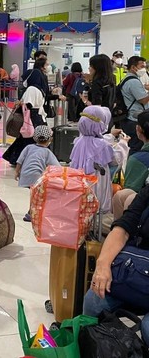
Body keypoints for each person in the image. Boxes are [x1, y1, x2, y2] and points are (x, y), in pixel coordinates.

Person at [83, 184, 149, 346]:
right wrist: (103, 265)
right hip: (138, 272)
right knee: (94, 301)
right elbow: (122, 228)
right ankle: (93, 347)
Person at [70, 106, 115, 214]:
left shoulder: (78, 141)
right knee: (97, 203)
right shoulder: (102, 144)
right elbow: (114, 160)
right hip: (98, 179)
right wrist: (123, 144)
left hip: (80, 180)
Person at [3, 67, 49, 165]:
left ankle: (19, 159)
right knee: (31, 140)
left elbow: (28, 104)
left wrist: (19, 103)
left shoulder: (31, 89)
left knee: (26, 139)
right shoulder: (40, 89)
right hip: (38, 117)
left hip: (30, 118)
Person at [15, 125, 61, 222]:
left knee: (34, 194)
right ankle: (31, 214)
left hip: (26, 175)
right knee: (39, 195)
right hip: (37, 177)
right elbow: (57, 167)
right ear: (50, 139)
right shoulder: (47, 152)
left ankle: (32, 212)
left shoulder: (28, 147)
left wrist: (17, 172)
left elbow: (19, 161)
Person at [112, 110, 149, 220]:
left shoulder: (137, 159)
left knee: (122, 195)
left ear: (138, 129)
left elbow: (130, 190)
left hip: (141, 218)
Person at [119, 56, 149, 153]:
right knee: (136, 147)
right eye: (141, 66)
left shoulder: (129, 79)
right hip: (134, 118)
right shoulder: (133, 81)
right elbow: (143, 100)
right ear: (133, 67)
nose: (144, 69)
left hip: (130, 117)